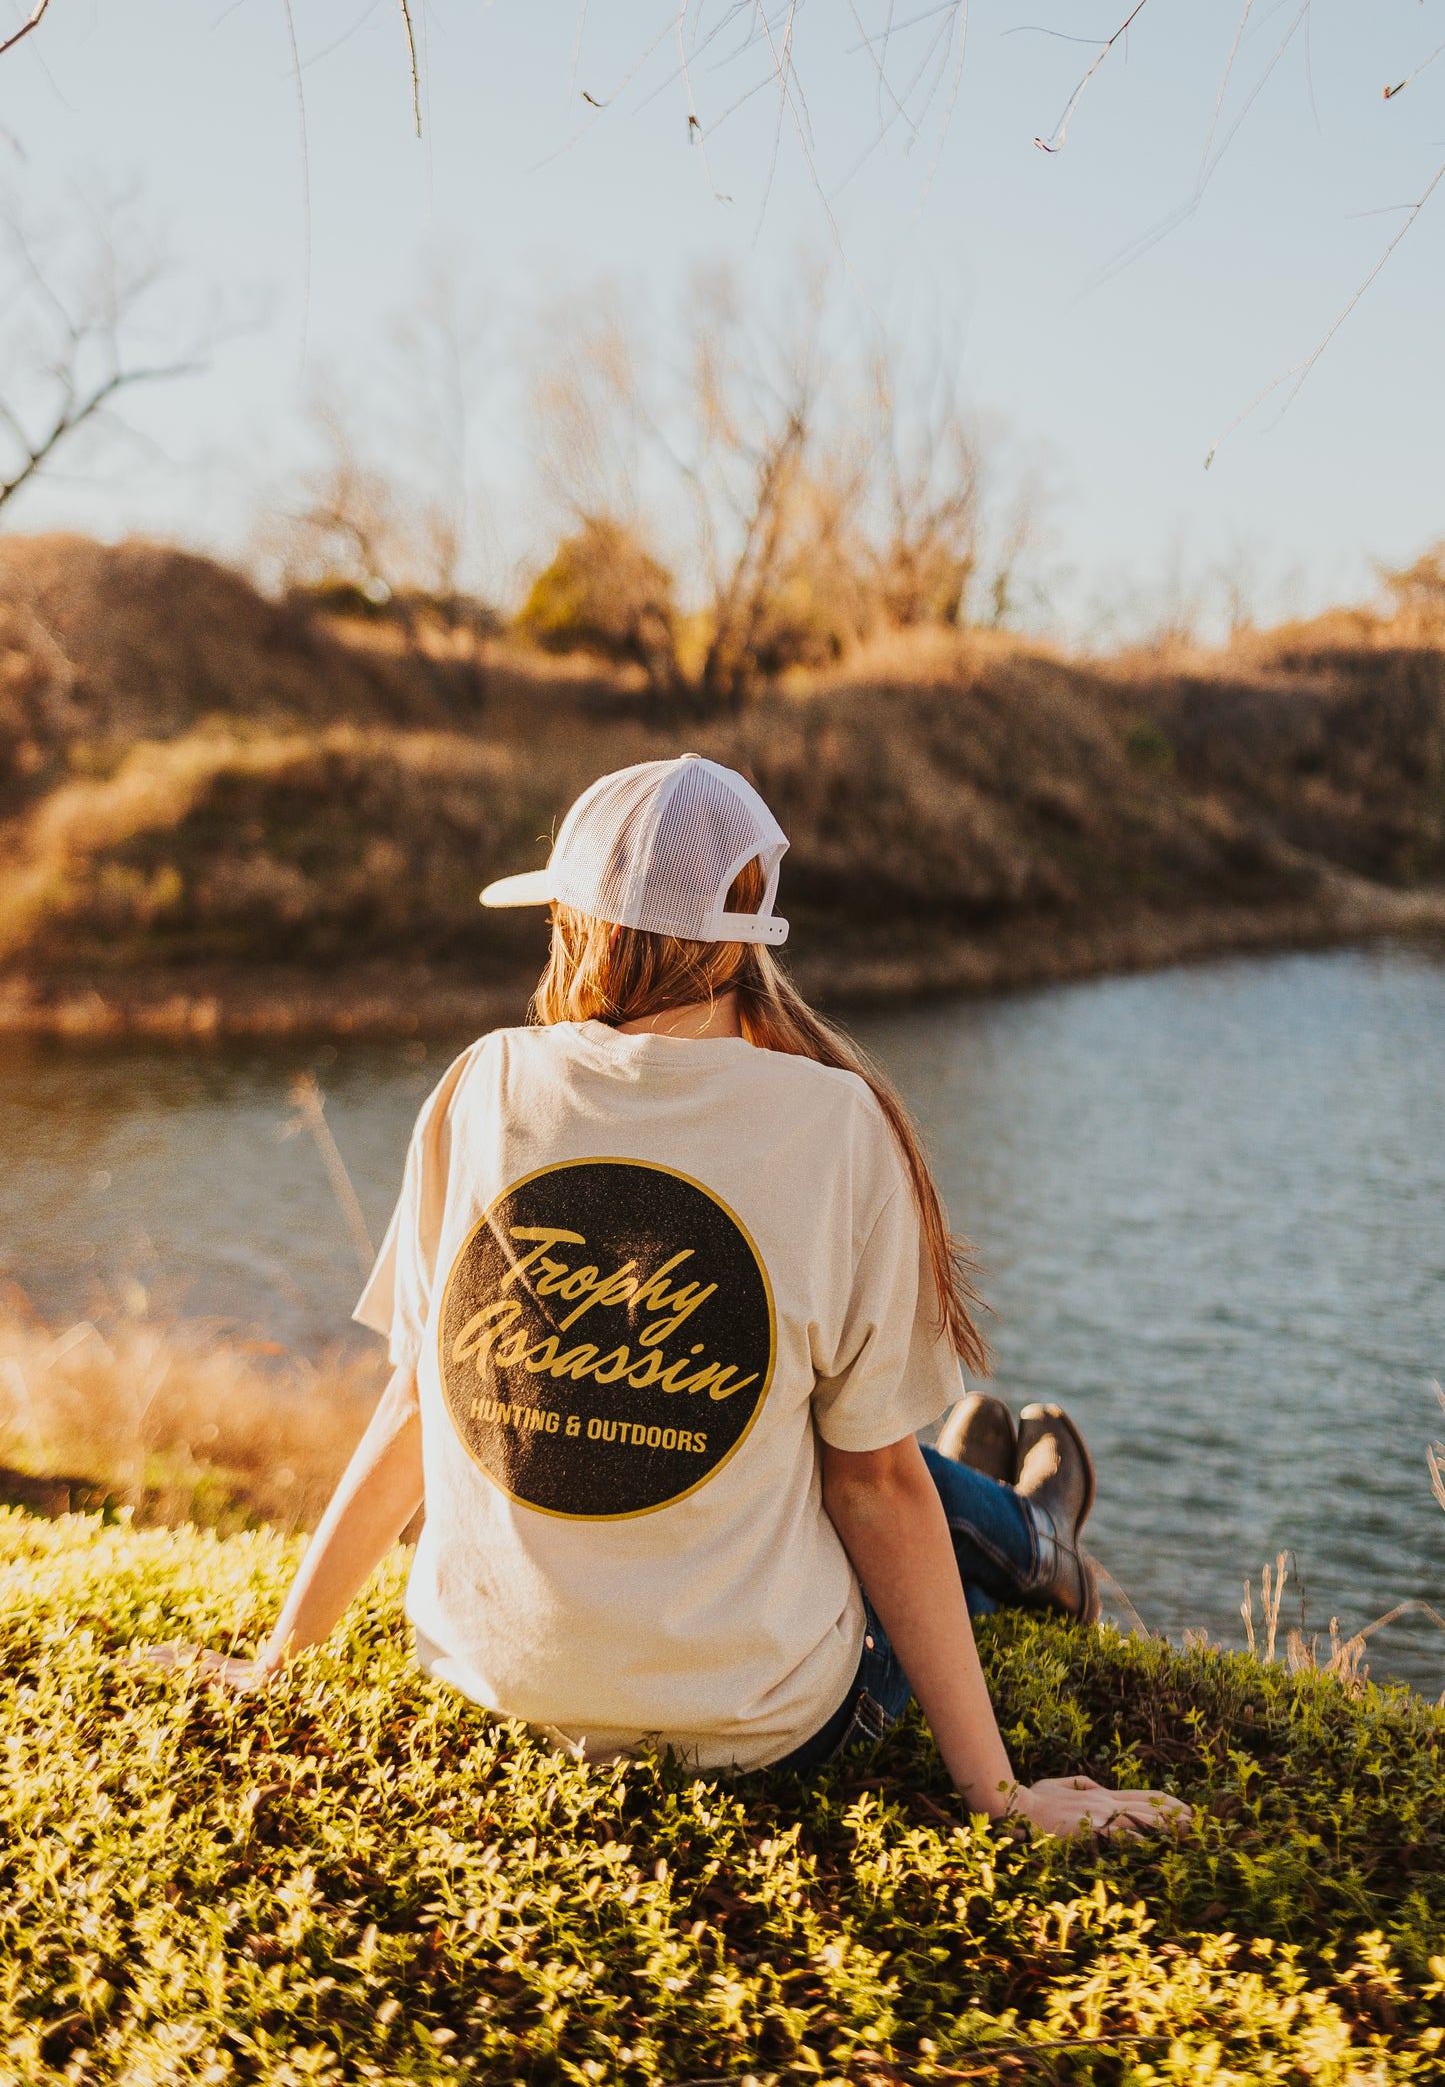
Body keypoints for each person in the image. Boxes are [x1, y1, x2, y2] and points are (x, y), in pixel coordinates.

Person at [160, 757, 1187, 1840]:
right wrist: (1001, 1794)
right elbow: (873, 1488)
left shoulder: (479, 1085)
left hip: (498, 1686)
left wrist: (277, 1662)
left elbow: (421, 1404)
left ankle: (1019, 1521)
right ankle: (1028, 1538)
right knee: (873, 1460)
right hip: (761, 1727)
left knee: (810, 1442)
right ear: (750, 937)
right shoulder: (836, 1122)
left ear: (571, 921)